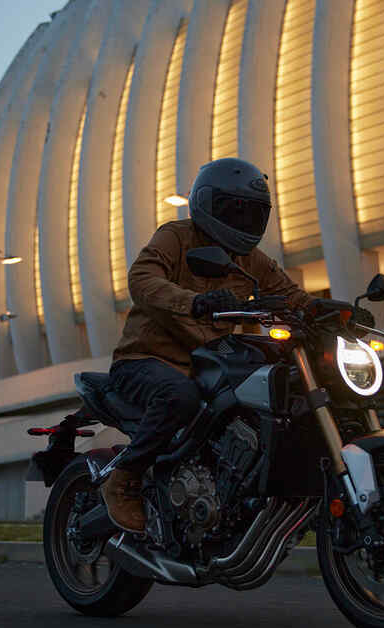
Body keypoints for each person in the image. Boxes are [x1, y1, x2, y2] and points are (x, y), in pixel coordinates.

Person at [101, 158, 313, 532]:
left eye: (251, 214)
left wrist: (330, 311)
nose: (243, 221)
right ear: (206, 203)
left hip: (211, 364)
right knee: (178, 396)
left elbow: (290, 295)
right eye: (233, 210)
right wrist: (193, 301)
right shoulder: (176, 237)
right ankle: (124, 480)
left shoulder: (251, 260)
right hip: (146, 360)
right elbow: (142, 278)